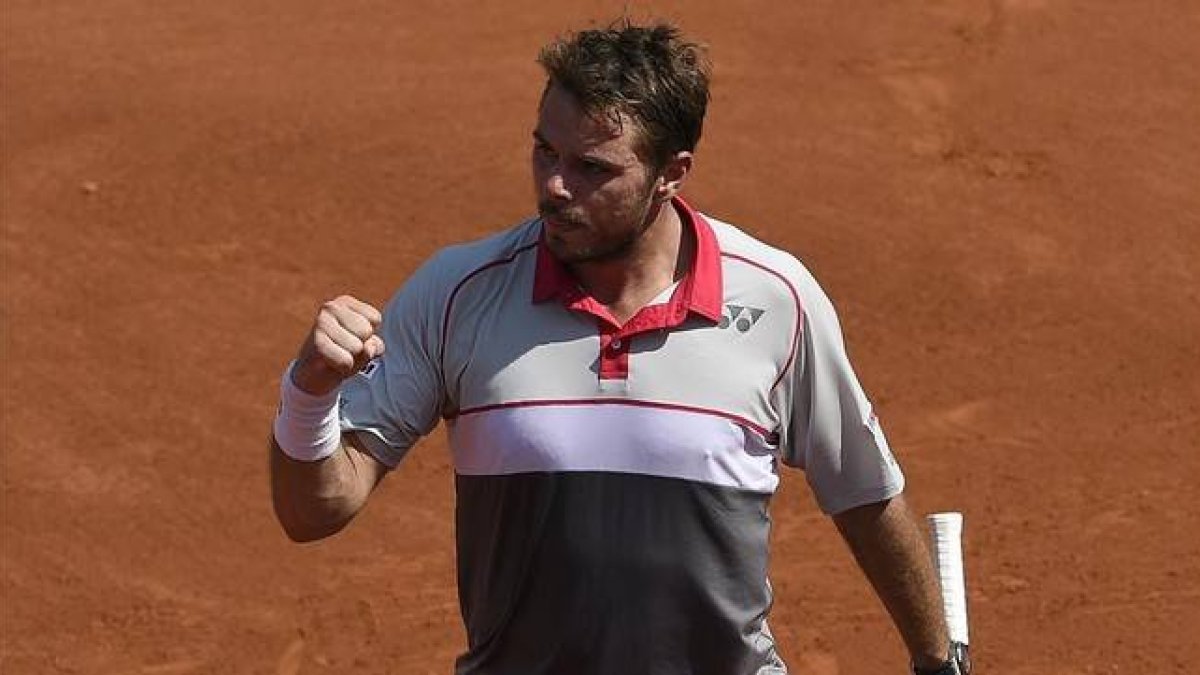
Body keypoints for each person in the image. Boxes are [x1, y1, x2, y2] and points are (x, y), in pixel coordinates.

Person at [269, 19, 971, 675]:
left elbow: (864, 492)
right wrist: (310, 390)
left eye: (593, 168)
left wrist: (936, 660)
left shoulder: (776, 300)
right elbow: (315, 509)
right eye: (545, 149)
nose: (554, 186)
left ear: (672, 172)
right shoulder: (458, 293)